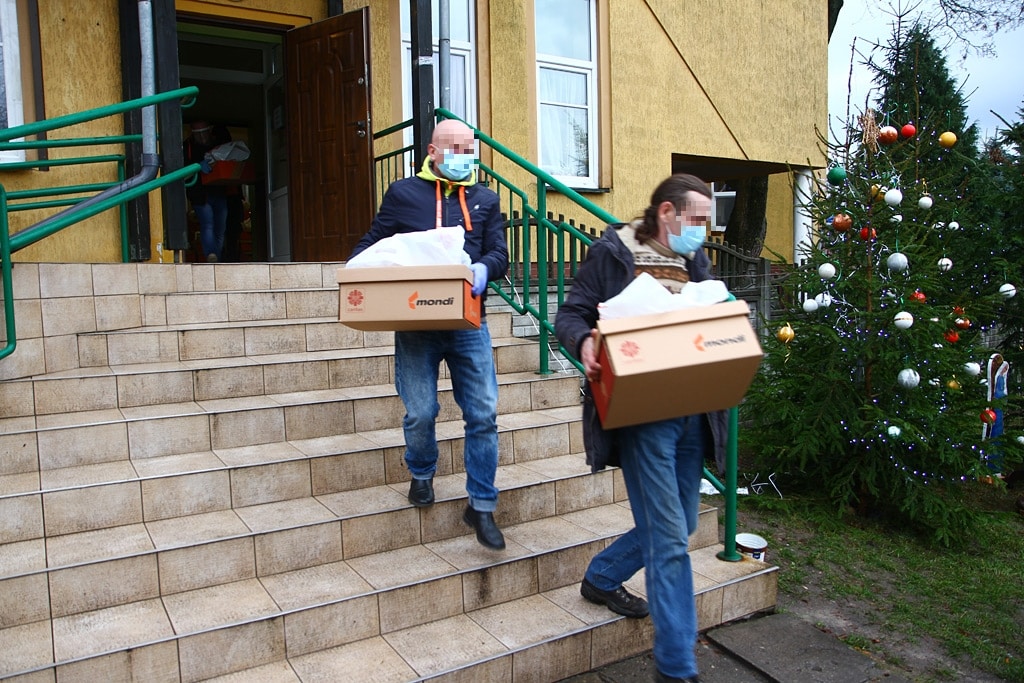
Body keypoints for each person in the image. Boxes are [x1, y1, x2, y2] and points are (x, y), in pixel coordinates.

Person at [555, 173, 728, 683]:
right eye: (698, 219)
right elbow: (571, 313)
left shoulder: (694, 259)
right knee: (671, 541)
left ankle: (603, 576)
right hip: (641, 413)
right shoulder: (613, 251)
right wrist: (585, 340)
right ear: (668, 214)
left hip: (693, 411)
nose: (704, 230)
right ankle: (676, 668)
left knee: (683, 525)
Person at [348, 118, 509, 550]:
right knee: (421, 411)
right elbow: (375, 243)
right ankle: (421, 471)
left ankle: (482, 505)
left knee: (483, 413)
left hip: (469, 322)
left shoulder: (486, 199)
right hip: (417, 323)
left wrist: (485, 268)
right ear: (432, 152)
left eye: (468, 147)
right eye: (453, 147)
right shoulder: (403, 194)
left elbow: (499, 252)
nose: (463, 155)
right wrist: (358, 273)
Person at [183, 120, 228, 262]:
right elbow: (182, 173)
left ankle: (216, 258)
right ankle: (211, 255)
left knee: (220, 228)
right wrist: (197, 167)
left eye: (204, 133)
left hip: (219, 191)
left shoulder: (218, 144)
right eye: (198, 134)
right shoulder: (187, 147)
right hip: (199, 194)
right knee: (207, 224)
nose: (202, 137)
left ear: (210, 131)